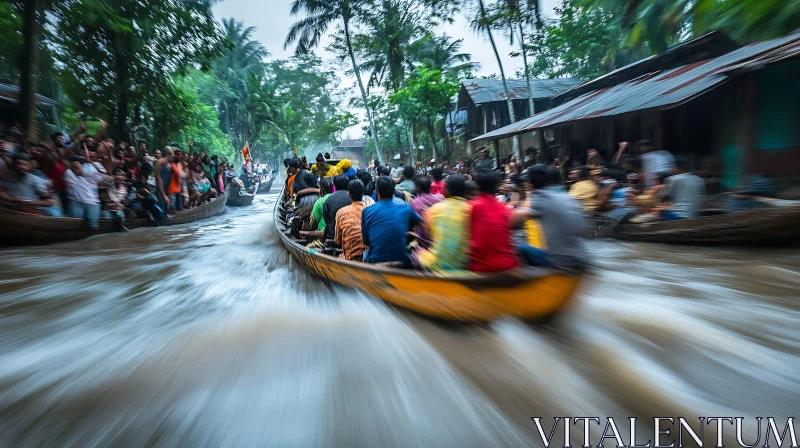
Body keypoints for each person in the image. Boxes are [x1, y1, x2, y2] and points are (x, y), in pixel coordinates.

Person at [518, 166, 590, 270]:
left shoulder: (540, 198)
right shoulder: (568, 197)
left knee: (517, 247)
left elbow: (513, 218)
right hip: (583, 258)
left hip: (559, 260)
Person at [361, 176, 422, 266]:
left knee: (366, 252)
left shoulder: (367, 211)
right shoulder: (405, 208)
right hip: (401, 261)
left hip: (375, 261)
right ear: (394, 191)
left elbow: (366, 242)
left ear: (377, 191)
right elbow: (423, 224)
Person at [416, 174, 471, 273]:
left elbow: (428, 235)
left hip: (436, 265)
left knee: (416, 253)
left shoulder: (434, 209)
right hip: (464, 264)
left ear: (446, 191)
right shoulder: (471, 209)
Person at [468, 170, 519, 273]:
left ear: (476, 187)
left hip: (482, 268)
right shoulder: (505, 208)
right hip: (509, 265)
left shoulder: (472, 207)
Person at [64, 156, 113, 229]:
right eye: (72, 167)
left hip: (91, 202)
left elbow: (110, 178)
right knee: (74, 223)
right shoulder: (68, 173)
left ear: (82, 166)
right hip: (76, 202)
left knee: (93, 226)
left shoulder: (90, 173)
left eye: (76, 166)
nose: (74, 170)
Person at [334, 179, 369, 261]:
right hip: (369, 256)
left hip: (350, 257)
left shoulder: (341, 212)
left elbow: (337, 241)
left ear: (349, 194)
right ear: (362, 194)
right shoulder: (370, 211)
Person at [409, 175, 444, 250]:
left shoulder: (414, 202)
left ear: (417, 188)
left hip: (423, 243)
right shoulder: (441, 198)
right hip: (440, 239)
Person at [322, 175, 352, 241]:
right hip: (348, 235)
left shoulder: (329, 198)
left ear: (334, 185)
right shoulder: (351, 198)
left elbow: (325, 216)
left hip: (331, 235)